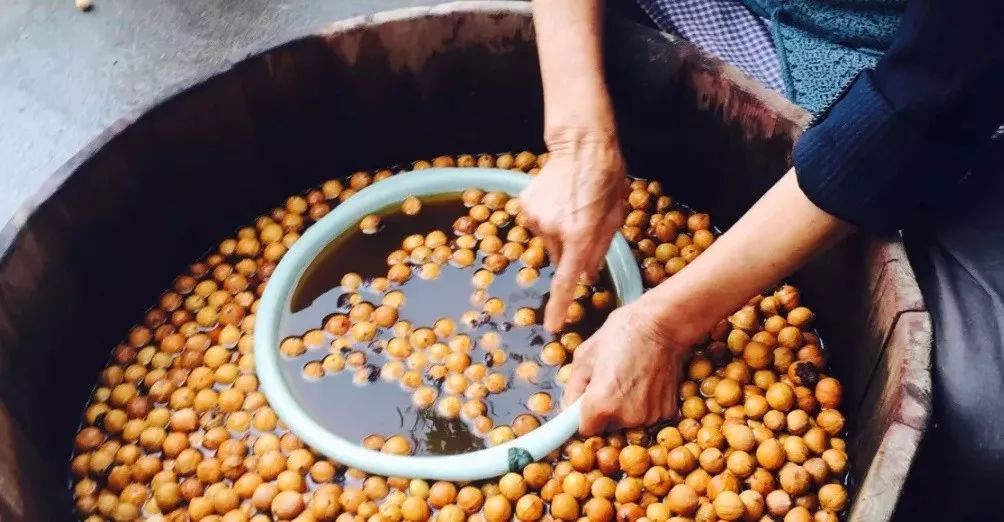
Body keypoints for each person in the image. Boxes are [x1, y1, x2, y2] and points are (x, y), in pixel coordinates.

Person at [521, 0, 1004, 518]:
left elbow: (927, 98)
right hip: (704, 11)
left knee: (980, 434)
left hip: (899, 65)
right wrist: (579, 137)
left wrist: (663, 324)